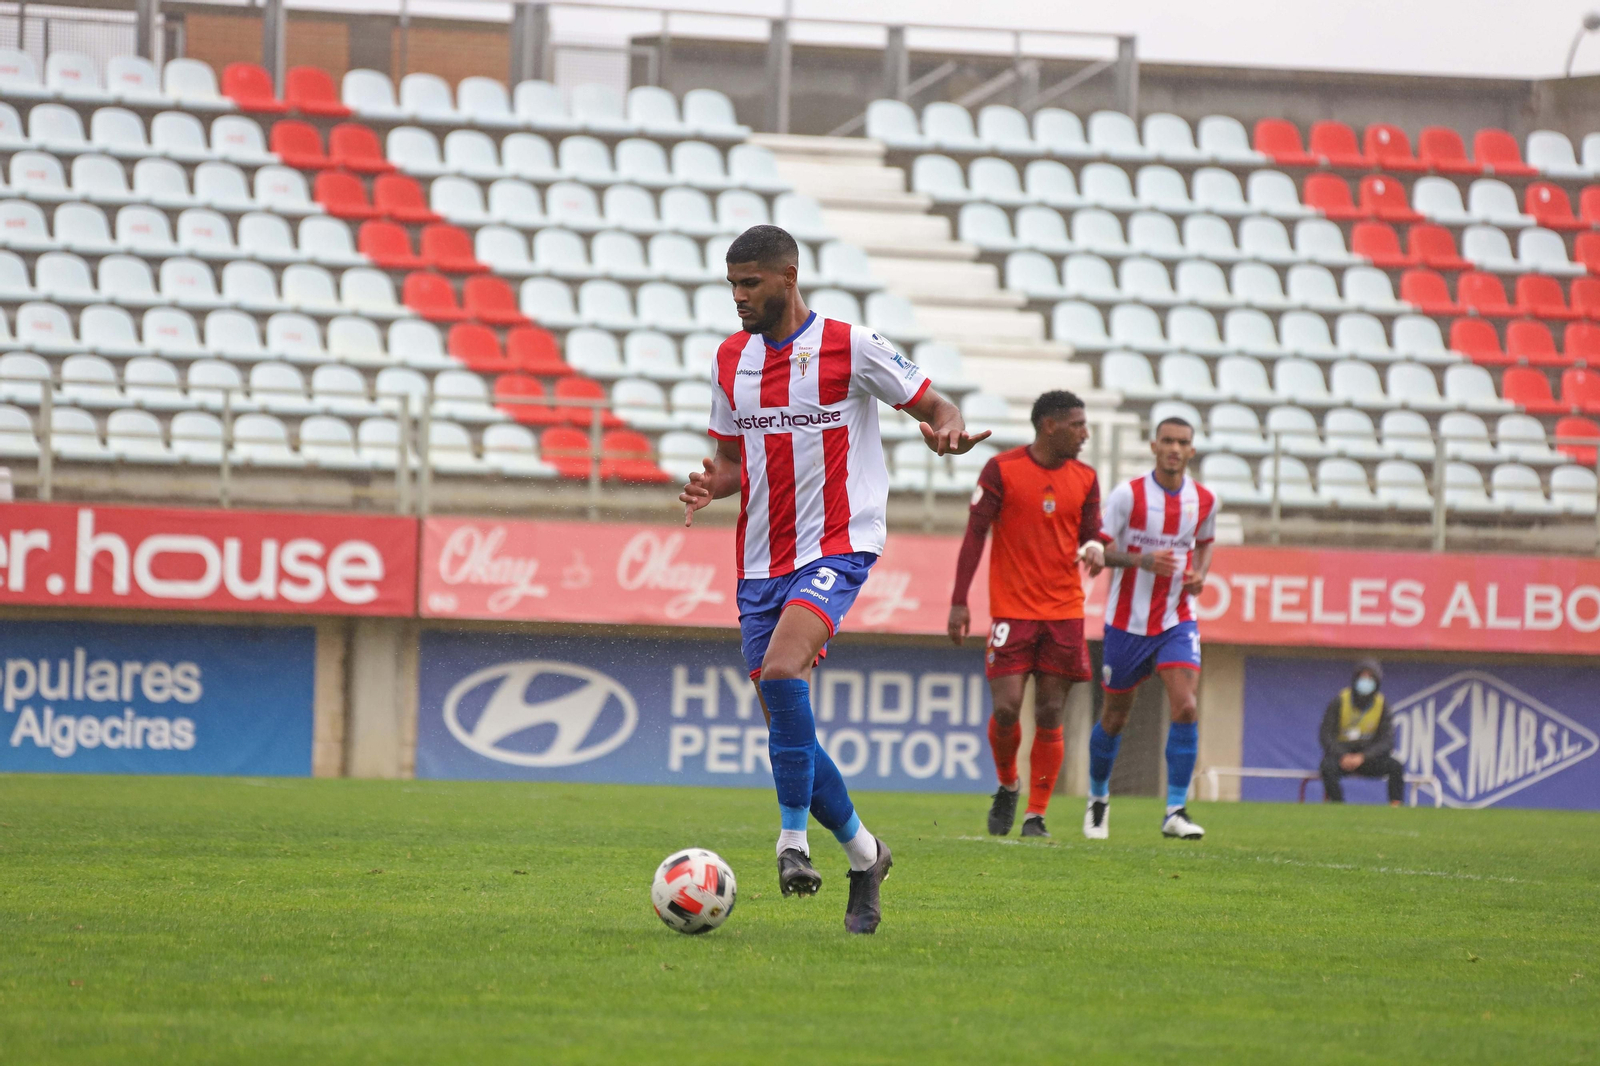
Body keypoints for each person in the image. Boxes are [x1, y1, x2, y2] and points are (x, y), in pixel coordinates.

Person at [679, 224, 990, 934]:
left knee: (782, 674)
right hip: (760, 559)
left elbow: (937, 406)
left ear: (788, 278)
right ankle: (866, 854)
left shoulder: (853, 345)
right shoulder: (730, 360)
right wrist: (709, 485)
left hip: (838, 545)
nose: (738, 297)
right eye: (732, 285)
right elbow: (732, 461)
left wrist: (947, 430)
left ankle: (791, 843)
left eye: (750, 283)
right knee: (786, 723)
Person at [947, 391, 1101, 839]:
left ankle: (1036, 815)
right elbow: (975, 534)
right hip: (1012, 611)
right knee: (1007, 707)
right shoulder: (1002, 469)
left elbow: (1092, 535)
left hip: (1064, 611)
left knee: (1050, 711)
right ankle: (1008, 783)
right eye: (1077, 425)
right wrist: (959, 600)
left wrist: (1096, 547)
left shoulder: (1086, 478)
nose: (1085, 434)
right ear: (1049, 425)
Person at [1080, 416, 1216, 841]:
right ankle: (1098, 798)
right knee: (1115, 716)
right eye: (1168, 441)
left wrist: (1200, 574)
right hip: (1126, 623)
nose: (1175, 448)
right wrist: (1141, 560)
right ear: (1154, 446)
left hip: (1177, 618)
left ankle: (1175, 810)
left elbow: (1205, 544)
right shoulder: (1129, 494)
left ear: (1192, 450)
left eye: (1182, 442)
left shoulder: (1205, 500)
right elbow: (1097, 550)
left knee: (1186, 706)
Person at [1318, 659, 1404, 806]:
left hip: (1368, 757)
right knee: (1327, 767)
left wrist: (1363, 757)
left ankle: (1396, 806)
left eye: (1370, 678)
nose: (1366, 681)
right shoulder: (1340, 701)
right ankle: (1338, 806)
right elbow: (1326, 735)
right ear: (1355, 679)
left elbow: (1387, 741)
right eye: (1362, 677)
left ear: (1376, 682)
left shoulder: (1382, 705)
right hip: (1343, 756)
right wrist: (1343, 755)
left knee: (1395, 767)